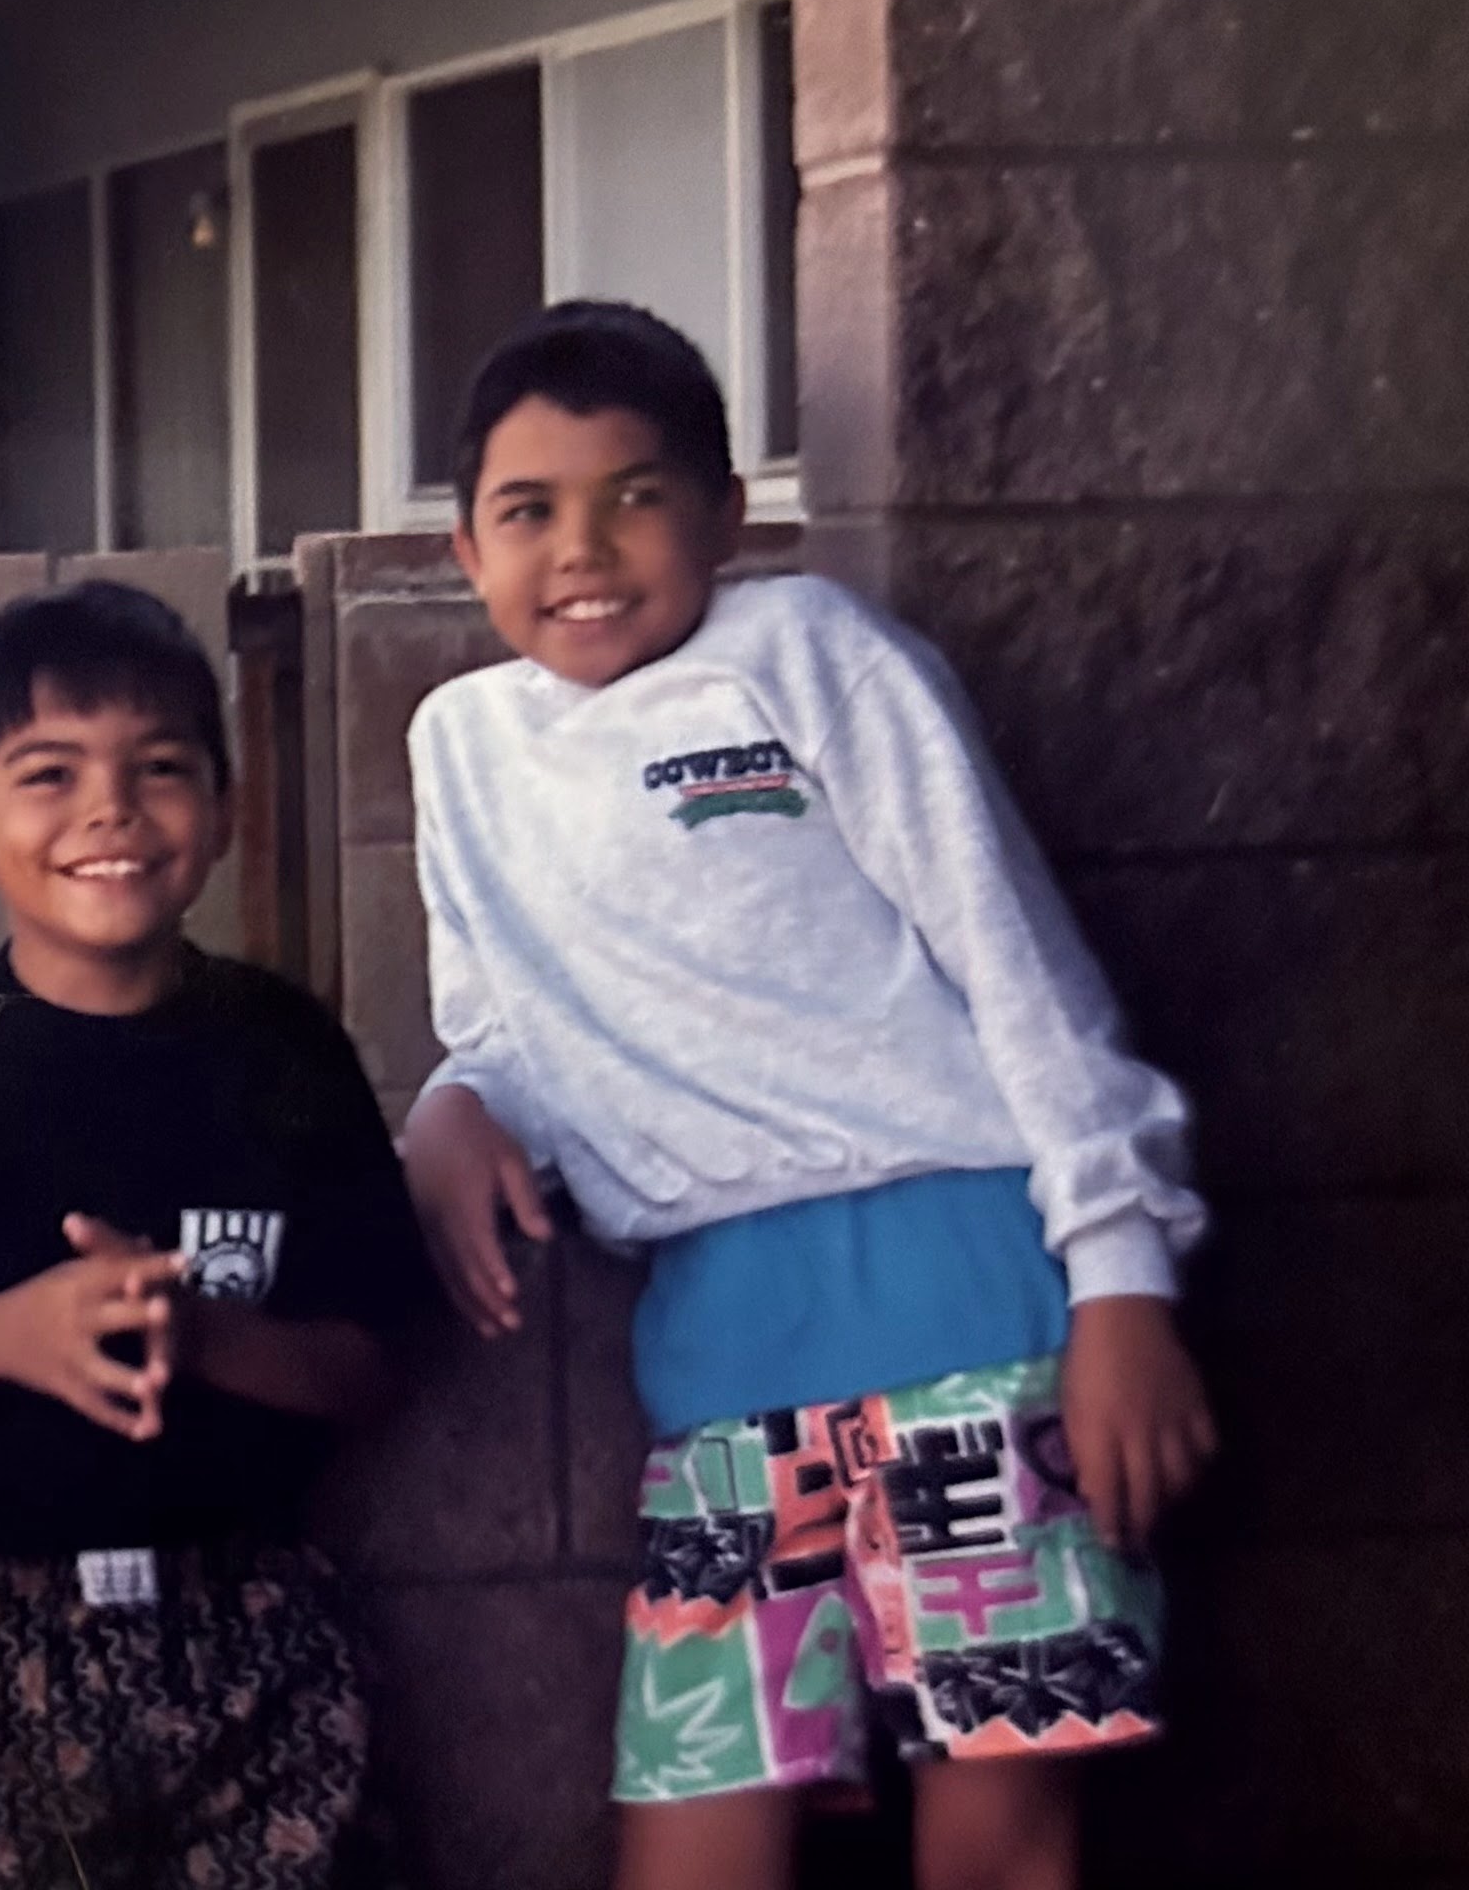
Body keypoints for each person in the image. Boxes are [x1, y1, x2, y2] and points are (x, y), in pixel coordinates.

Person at [397, 301, 1218, 1890]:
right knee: (693, 1846)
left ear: (728, 513)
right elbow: (503, 1023)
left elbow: (1016, 957)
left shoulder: (810, 655)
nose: (585, 546)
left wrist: (1123, 1275)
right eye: (529, 510)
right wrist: (451, 1105)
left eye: (637, 495)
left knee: (999, 1840)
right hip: (712, 1374)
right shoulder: (464, 747)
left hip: (978, 1328)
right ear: (463, 550)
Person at [0, 580, 433, 1890]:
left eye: (160, 768)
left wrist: (207, 1333)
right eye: (48, 775)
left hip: (262, 1628)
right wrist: (6, 1335)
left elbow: (373, 1367)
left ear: (223, 809)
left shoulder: (284, 1051)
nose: (110, 811)